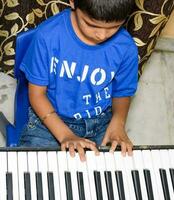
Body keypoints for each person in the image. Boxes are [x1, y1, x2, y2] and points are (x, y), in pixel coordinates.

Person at [19, 0, 138, 161]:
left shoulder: (126, 47)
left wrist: (118, 122)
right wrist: (65, 135)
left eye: (114, 27)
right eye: (92, 25)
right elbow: (37, 95)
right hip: (50, 118)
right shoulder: (47, 37)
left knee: (113, 172)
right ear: (73, 2)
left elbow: (122, 92)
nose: (102, 35)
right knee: (36, 168)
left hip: (101, 121)